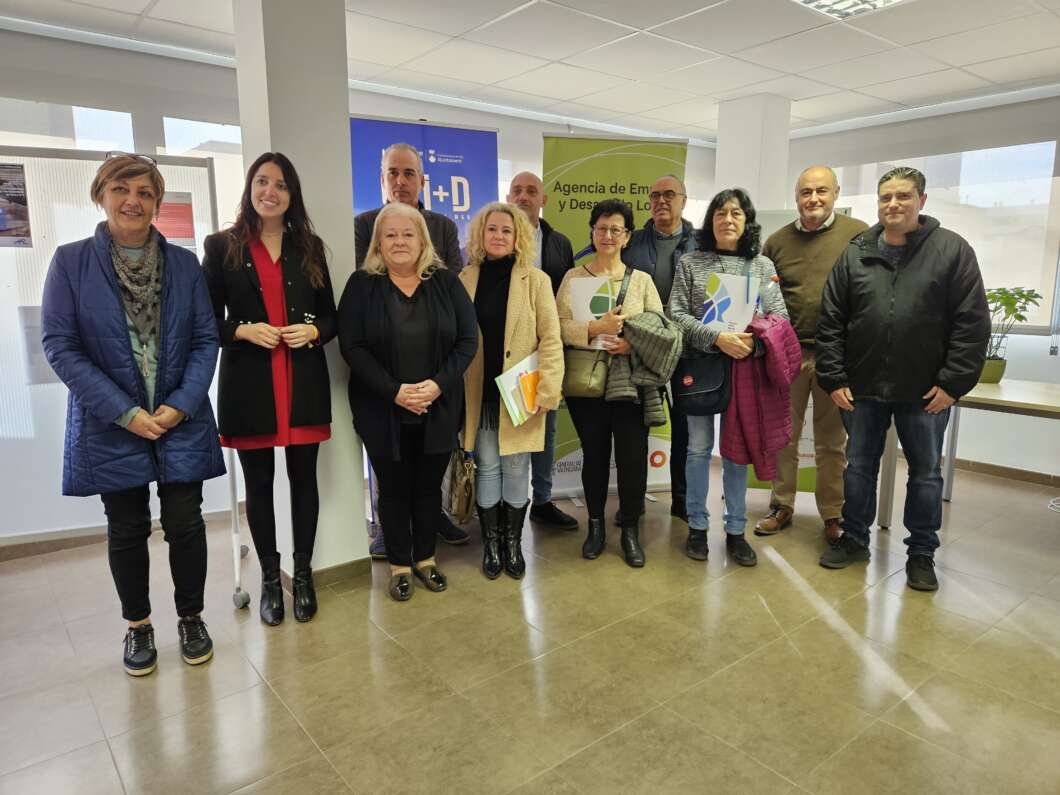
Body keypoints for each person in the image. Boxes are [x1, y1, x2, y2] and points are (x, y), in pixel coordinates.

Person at [41, 152, 225, 676]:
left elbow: (206, 338)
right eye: (121, 189)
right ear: (101, 194)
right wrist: (123, 412)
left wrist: (181, 404)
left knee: (185, 522)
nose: (133, 201)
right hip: (110, 421)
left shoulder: (184, 265)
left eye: (145, 192)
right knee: (126, 526)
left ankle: (191, 617)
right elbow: (60, 345)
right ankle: (138, 625)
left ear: (158, 203)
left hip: (178, 416)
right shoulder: (71, 262)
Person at [816, 166, 989, 591]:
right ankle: (854, 539)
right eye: (886, 197)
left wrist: (952, 384)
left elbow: (971, 323)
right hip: (862, 387)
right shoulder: (856, 252)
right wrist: (834, 377)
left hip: (925, 391)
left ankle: (922, 554)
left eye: (903, 196)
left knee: (926, 474)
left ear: (922, 201)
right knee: (858, 467)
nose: (893, 204)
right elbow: (831, 319)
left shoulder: (952, 251)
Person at [203, 152, 336, 626]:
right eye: (262, 181)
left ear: (291, 194)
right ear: (250, 187)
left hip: (303, 381)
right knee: (258, 485)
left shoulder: (310, 247)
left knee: (304, 482)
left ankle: (303, 575)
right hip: (251, 384)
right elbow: (205, 321)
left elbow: (331, 317)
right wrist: (241, 330)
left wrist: (313, 331)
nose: (270, 192)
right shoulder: (221, 246)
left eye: (280, 184)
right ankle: (268, 580)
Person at [338, 202, 477, 601]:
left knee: (428, 487)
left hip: (439, 406)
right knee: (393, 489)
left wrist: (436, 385)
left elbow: (468, 340)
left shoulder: (446, 282)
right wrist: (394, 391)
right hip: (381, 408)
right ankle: (399, 565)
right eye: (390, 235)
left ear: (423, 240)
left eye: (407, 234)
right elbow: (352, 346)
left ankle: (426, 559)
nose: (399, 241)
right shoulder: (361, 285)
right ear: (378, 243)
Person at [355, 142, 468, 551]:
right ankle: (390, 529)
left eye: (408, 174)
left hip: (436, 370)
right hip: (384, 374)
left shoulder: (443, 226)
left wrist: (433, 384)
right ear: (382, 179)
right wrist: (396, 388)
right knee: (389, 468)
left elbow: (452, 286)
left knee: (430, 465)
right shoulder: (363, 224)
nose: (400, 181)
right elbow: (366, 283)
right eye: (393, 173)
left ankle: (432, 519)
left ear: (422, 180)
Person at [668, 188, 788, 566]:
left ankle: (736, 530)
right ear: (711, 221)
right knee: (698, 449)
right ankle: (697, 527)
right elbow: (676, 315)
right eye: (720, 213)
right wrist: (717, 338)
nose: (727, 220)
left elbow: (779, 318)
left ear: (747, 220)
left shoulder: (762, 266)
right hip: (701, 368)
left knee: (736, 454)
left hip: (745, 371)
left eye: (736, 213)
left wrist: (753, 344)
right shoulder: (691, 262)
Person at [755, 166, 868, 542]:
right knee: (783, 437)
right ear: (796, 196)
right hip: (787, 353)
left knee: (832, 442)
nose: (813, 199)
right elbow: (763, 297)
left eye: (821, 190)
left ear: (836, 192)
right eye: (806, 192)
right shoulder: (776, 242)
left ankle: (833, 513)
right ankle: (781, 505)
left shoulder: (859, 235)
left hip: (837, 357)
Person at [557, 199, 664, 568]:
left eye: (615, 229)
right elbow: (558, 326)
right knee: (595, 455)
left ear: (627, 236)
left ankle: (630, 530)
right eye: (601, 228)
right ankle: (596, 527)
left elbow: (660, 327)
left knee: (633, 458)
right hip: (586, 382)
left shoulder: (642, 280)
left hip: (630, 382)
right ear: (592, 232)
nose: (607, 235)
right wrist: (593, 328)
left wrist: (631, 342)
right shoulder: (573, 277)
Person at [460, 202, 563, 580]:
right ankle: (492, 544)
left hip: (522, 394)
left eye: (507, 230)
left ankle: (512, 544)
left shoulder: (536, 280)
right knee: (487, 465)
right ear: (480, 234)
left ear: (518, 236)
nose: (499, 236)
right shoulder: (463, 279)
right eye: (492, 229)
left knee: (517, 467)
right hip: (479, 393)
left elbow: (551, 339)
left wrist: (548, 390)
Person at [506, 171, 579, 532]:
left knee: (546, 429)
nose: (523, 196)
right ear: (508, 197)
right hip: (507, 350)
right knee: (508, 431)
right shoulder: (496, 237)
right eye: (517, 190)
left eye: (531, 191)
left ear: (543, 200)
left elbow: (567, 298)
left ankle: (543, 500)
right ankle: (505, 504)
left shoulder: (559, 243)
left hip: (546, 348)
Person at [623, 174, 698, 523]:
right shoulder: (633, 242)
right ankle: (633, 501)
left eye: (669, 194)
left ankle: (682, 500)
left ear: (684, 200)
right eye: (654, 195)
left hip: (688, 349)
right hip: (642, 348)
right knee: (636, 428)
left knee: (685, 428)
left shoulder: (701, 243)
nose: (661, 201)